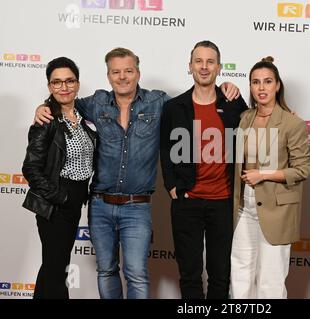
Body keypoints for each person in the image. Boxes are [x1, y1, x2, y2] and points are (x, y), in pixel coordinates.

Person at [34, 48, 240, 299]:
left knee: (137, 273)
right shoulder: (96, 102)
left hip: (137, 205)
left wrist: (227, 88)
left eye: (128, 71)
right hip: (100, 204)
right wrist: (43, 107)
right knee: (106, 270)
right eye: (116, 72)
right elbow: (64, 98)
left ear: (138, 73)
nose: (122, 77)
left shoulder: (159, 102)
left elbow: (192, 101)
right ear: (108, 76)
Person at [160, 40, 248, 299]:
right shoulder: (175, 107)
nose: (204, 66)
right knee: (189, 275)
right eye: (199, 61)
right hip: (187, 201)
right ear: (190, 66)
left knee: (221, 276)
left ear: (219, 67)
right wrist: (172, 186)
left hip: (223, 202)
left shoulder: (234, 104)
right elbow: (165, 149)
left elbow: (258, 125)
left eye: (210, 61)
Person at [230, 57, 310, 299]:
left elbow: (302, 169)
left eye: (267, 81)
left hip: (277, 209)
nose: (261, 88)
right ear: (250, 87)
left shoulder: (292, 123)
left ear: (277, 85)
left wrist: (263, 175)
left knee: (271, 279)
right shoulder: (244, 118)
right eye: (256, 82)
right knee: (240, 272)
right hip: (244, 206)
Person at [22, 57, 95, 299]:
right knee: (56, 268)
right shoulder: (46, 121)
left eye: (69, 81)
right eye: (57, 82)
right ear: (49, 86)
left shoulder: (83, 117)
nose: (64, 87)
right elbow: (30, 169)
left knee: (56, 266)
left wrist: (73, 199)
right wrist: (60, 197)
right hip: (56, 203)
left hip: (74, 201)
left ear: (78, 83)